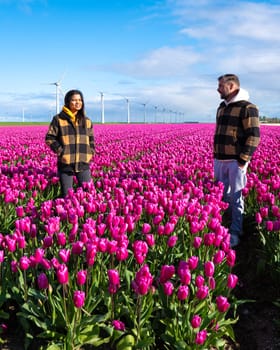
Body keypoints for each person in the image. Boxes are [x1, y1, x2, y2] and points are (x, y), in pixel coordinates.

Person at [214, 74, 260, 247]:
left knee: (236, 196)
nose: (218, 89)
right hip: (219, 159)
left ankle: (235, 231)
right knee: (220, 196)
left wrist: (243, 160)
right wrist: (215, 156)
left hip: (235, 161)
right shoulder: (221, 107)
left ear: (231, 86)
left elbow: (254, 136)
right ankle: (220, 229)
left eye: (221, 86)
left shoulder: (248, 107)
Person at [46, 89, 95, 197]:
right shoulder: (58, 119)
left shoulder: (86, 120)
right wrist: (61, 152)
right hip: (66, 163)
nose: (78, 102)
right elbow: (50, 138)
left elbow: (91, 138)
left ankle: (85, 214)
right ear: (67, 102)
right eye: (74, 100)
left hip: (83, 162)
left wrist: (90, 152)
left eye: (80, 100)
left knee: (88, 195)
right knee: (67, 196)